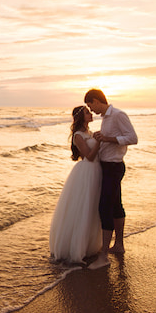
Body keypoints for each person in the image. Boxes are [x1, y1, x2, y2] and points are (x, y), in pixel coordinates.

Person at [84, 89, 138, 270]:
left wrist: (106, 138)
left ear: (96, 100)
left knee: (104, 208)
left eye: (90, 105)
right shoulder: (106, 119)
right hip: (108, 167)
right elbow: (111, 140)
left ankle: (103, 256)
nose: (91, 110)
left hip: (113, 167)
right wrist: (101, 137)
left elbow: (133, 138)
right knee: (116, 206)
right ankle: (119, 245)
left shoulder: (118, 115)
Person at [49, 105, 102, 264]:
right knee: (83, 208)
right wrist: (99, 142)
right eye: (87, 112)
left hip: (96, 172)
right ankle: (76, 249)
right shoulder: (78, 136)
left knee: (93, 208)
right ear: (81, 117)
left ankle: (89, 245)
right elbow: (89, 157)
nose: (90, 113)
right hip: (87, 172)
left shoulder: (90, 133)